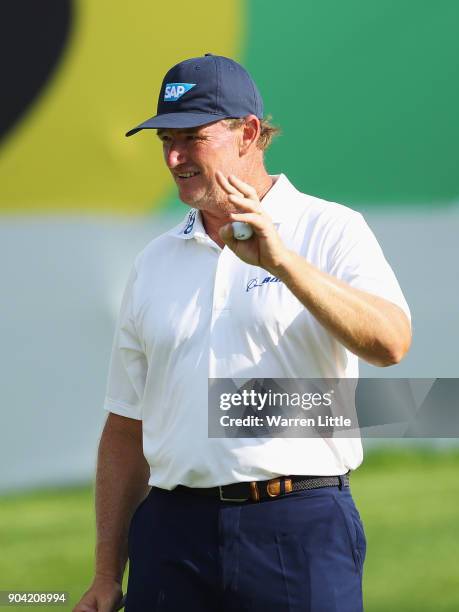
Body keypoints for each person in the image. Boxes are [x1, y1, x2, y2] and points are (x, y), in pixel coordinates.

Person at [74, 54, 411, 612]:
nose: (175, 157)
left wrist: (283, 264)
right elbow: (126, 427)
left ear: (248, 133)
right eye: (165, 140)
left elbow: (391, 343)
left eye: (192, 138)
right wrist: (107, 572)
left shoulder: (331, 228)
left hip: (296, 525)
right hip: (170, 535)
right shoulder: (153, 261)